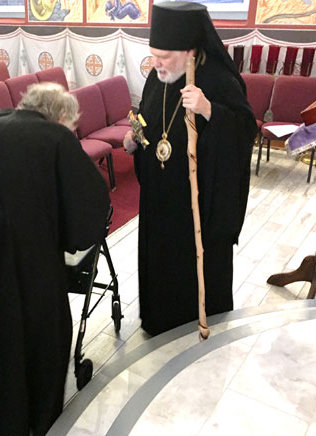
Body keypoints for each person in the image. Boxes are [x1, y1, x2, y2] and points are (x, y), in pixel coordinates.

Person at [0, 83, 111, 436]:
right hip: (30, 267)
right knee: (37, 337)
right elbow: (90, 207)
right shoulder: (55, 139)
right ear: (59, 117)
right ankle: (35, 418)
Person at [123, 1, 257, 336]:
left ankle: (202, 319)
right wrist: (135, 137)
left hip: (200, 202)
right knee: (161, 262)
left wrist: (210, 110)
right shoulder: (159, 78)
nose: (156, 64)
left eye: (164, 56)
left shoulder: (220, 80)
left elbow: (245, 130)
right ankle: (158, 320)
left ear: (189, 51)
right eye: (153, 54)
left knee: (197, 266)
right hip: (160, 197)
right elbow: (148, 119)